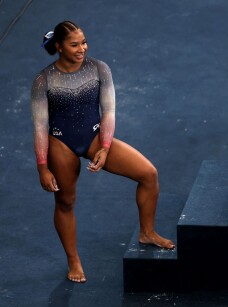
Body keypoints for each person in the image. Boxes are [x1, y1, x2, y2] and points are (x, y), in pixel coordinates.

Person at [31, 21, 175, 283]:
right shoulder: (44, 80)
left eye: (84, 42)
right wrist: (42, 167)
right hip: (60, 143)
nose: (82, 48)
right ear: (59, 47)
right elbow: (40, 127)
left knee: (148, 174)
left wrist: (106, 148)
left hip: (96, 136)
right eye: (74, 44)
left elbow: (108, 112)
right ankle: (73, 261)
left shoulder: (99, 68)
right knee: (65, 202)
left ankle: (147, 232)